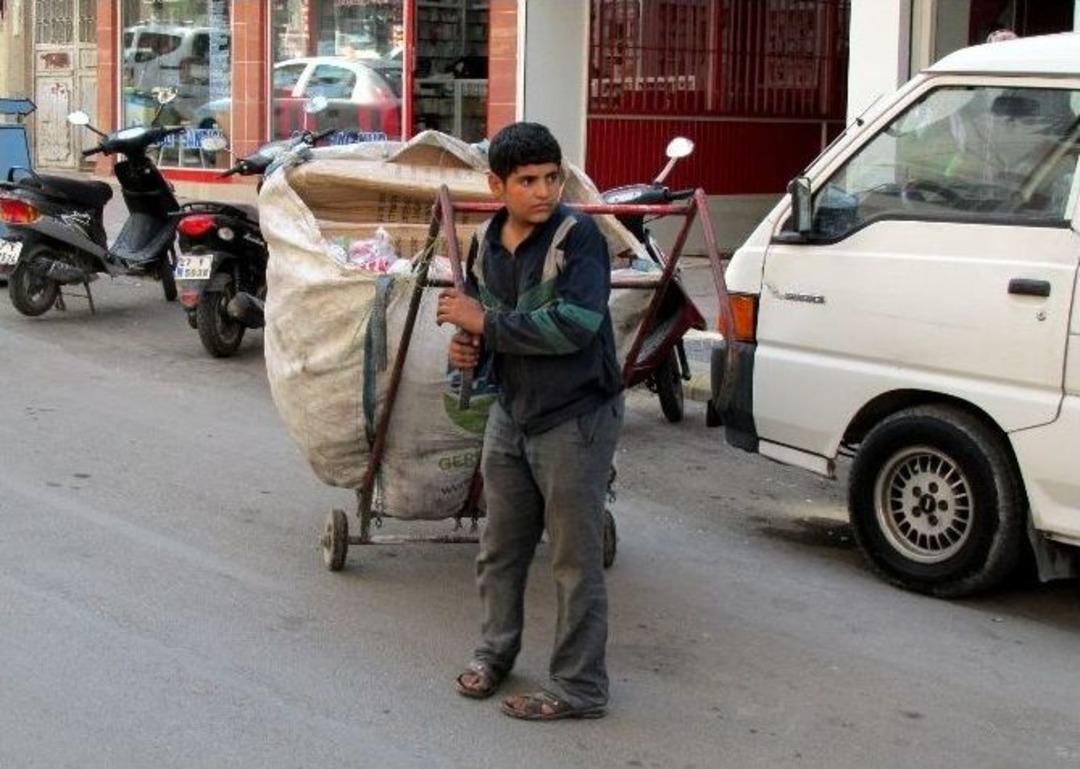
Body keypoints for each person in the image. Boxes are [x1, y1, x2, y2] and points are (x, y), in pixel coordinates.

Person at [435, 122, 624, 721]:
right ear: (497, 185)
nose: (544, 191)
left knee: (573, 559)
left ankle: (579, 688)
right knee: (500, 545)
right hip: (512, 413)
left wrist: (485, 326)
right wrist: (469, 347)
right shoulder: (485, 244)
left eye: (551, 177)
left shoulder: (581, 238)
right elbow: (486, 325)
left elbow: (575, 327)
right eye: (528, 181)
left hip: (576, 416)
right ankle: (493, 654)